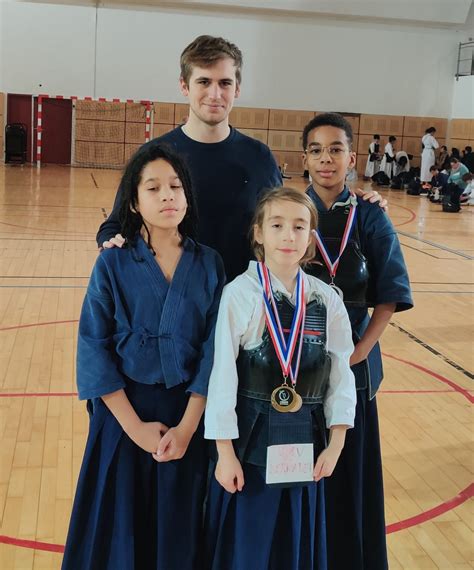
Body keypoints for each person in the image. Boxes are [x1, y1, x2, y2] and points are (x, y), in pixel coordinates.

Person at [97, 35, 386, 280]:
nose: (214, 93)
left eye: (224, 83)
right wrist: (110, 244)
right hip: (177, 303)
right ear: (184, 86)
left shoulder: (258, 156)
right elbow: (115, 225)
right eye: (203, 82)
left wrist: (360, 204)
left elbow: (285, 218)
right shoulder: (154, 156)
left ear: (237, 88)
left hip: (245, 305)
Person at [61, 142, 225, 570]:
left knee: (178, 528)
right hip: (123, 415)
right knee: (118, 526)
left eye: (175, 186)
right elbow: (93, 346)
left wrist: (188, 428)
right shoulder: (113, 262)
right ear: (134, 202)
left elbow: (214, 352)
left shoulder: (209, 263)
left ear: (188, 196)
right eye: (153, 188)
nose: (167, 195)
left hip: (185, 414)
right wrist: (134, 428)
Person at [204, 187, 357, 569]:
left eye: (299, 226)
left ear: (310, 237)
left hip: (306, 443)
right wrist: (224, 454)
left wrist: (336, 443)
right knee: (250, 545)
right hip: (251, 447)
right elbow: (221, 377)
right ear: (258, 233)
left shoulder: (326, 299)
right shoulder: (239, 295)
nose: (289, 235)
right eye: (277, 225)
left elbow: (341, 373)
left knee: (296, 542)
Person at [300, 112, 413, 570]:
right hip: (297, 367)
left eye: (335, 150)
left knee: (349, 472)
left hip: (355, 368)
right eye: (316, 150)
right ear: (303, 158)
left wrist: (356, 354)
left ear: (352, 157)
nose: (326, 159)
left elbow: (389, 295)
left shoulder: (370, 217)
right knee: (301, 469)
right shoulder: (289, 210)